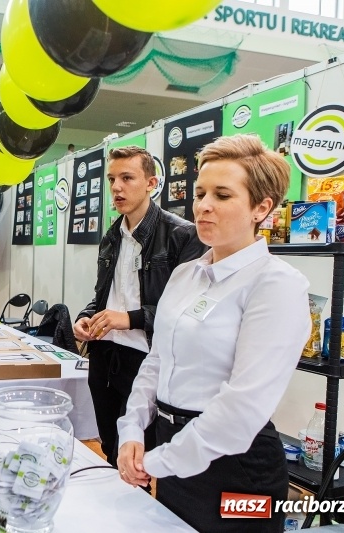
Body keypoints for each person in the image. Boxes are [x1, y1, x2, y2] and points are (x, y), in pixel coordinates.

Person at [117, 134, 311, 532]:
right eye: (201, 192)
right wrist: (132, 429)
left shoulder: (276, 285)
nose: (203, 206)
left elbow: (241, 410)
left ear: (261, 207)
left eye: (222, 195)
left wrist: (155, 461)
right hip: (174, 451)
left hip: (238, 469)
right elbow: (157, 360)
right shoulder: (187, 273)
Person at [73, 146, 205, 468]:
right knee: (108, 446)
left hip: (145, 361)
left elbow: (186, 313)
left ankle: (135, 509)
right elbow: (104, 296)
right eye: (112, 179)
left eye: (127, 178)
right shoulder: (111, 236)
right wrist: (85, 317)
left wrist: (128, 319)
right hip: (104, 357)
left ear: (151, 183)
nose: (116, 187)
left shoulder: (182, 236)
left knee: (134, 455)